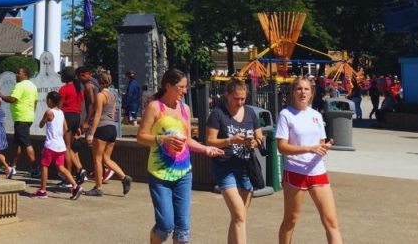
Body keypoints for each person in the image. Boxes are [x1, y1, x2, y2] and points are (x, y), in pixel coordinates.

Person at [137, 68, 223, 244]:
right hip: (159, 174)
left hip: (184, 173)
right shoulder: (155, 107)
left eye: (186, 87)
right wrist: (163, 139)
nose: (184, 91)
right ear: (168, 86)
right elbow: (141, 137)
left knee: (183, 229)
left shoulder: (185, 109)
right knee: (165, 226)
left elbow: (188, 141)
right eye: (181, 87)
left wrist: (205, 149)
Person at [276, 76, 343, 244]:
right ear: (293, 92)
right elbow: (282, 147)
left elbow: (320, 142)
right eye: (299, 89)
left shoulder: (316, 116)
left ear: (312, 93)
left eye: (306, 89)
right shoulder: (286, 115)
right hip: (295, 172)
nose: (302, 92)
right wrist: (308, 148)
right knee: (290, 220)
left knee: (331, 221)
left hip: (318, 171)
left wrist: (324, 147)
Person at [205, 78, 264, 244]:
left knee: (240, 217)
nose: (239, 102)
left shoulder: (250, 113)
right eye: (236, 98)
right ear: (227, 95)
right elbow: (210, 141)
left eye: (243, 99)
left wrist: (254, 141)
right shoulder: (218, 113)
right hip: (225, 167)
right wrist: (231, 141)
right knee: (239, 215)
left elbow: (259, 136)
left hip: (246, 166)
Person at [84, 71, 132, 197]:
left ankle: (98, 188)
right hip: (112, 128)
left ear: (99, 82)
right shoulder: (113, 95)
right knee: (106, 158)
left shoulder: (100, 95)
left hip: (102, 128)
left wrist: (91, 133)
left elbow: (98, 114)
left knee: (97, 160)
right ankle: (124, 177)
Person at [34, 91, 81, 200]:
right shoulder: (61, 113)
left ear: (50, 100)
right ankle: (75, 186)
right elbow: (65, 129)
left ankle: (43, 190)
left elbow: (41, 125)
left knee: (44, 166)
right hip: (61, 145)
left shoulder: (49, 112)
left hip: (50, 145)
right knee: (61, 167)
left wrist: (45, 122)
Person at [0, 66, 39, 179]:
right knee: (17, 144)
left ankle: (35, 168)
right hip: (27, 117)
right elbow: (35, 101)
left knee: (26, 143)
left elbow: (13, 99)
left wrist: (1, 96)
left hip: (21, 118)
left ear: (25, 75)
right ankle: (12, 166)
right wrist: (31, 112)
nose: (16, 75)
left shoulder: (20, 85)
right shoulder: (33, 86)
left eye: (18, 73)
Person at [57, 67, 89, 184]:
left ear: (66, 77)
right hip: (76, 117)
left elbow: (59, 108)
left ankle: (69, 176)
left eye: (62, 75)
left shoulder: (64, 89)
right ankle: (77, 171)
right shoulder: (78, 88)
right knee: (69, 147)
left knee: (67, 147)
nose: (60, 77)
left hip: (67, 116)